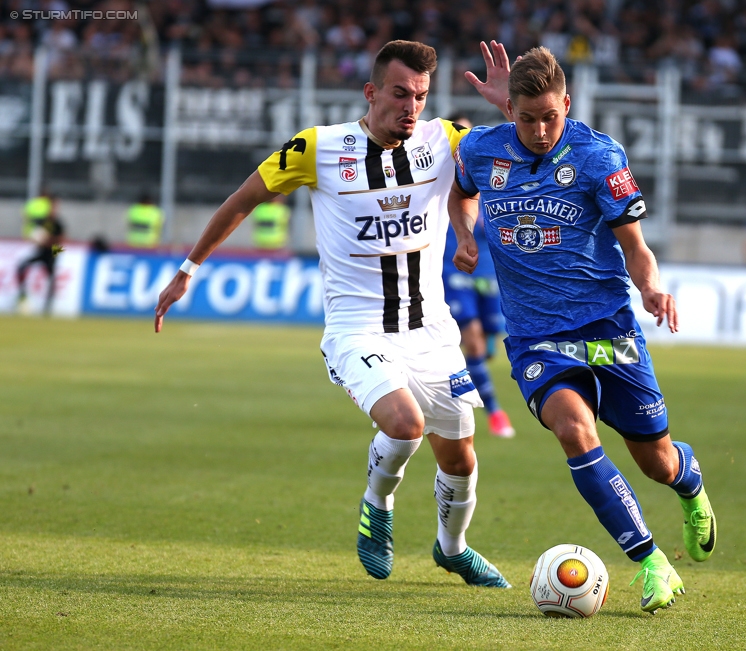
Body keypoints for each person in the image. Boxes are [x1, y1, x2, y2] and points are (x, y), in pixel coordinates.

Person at [154, 40, 515, 588]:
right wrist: (188, 268)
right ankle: (377, 506)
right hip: (357, 329)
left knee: (460, 459)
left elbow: (494, 167)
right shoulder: (317, 148)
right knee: (405, 424)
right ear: (370, 93)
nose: (410, 107)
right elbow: (243, 199)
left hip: (432, 330)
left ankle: (452, 548)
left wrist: (507, 113)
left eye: (419, 95)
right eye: (399, 94)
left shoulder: (445, 139)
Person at [448, 47, 716, 614]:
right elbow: (461, 191)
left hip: (608, 328)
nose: (542, 130)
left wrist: (650, 287)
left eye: (551, 116)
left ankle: (689, 483)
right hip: (535, 338)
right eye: (527, 118)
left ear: (566, 104)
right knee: (574, 429)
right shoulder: (479, 148)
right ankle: (651, 561)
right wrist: (466, 234)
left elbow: (635, 246)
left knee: (657, 462)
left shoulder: (598, 157)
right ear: (510, 112)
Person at [442, 114, 516, 438]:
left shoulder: (488, 176)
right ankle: (495, 412)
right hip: (453, 270)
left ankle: (462, 374)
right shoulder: (439, 179)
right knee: (472, 341)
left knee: (487, 344)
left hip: (489, 272)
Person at [17, 195, 64, 314]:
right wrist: (38, 241)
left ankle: (48, 306)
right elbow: (34, 236)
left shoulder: (57, 224)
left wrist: (51, 245)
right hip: (41, 252)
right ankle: (22, 297)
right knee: (22, 266)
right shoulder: (42, 222)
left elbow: (61, 243)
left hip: (51, 255)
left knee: (51, 277)